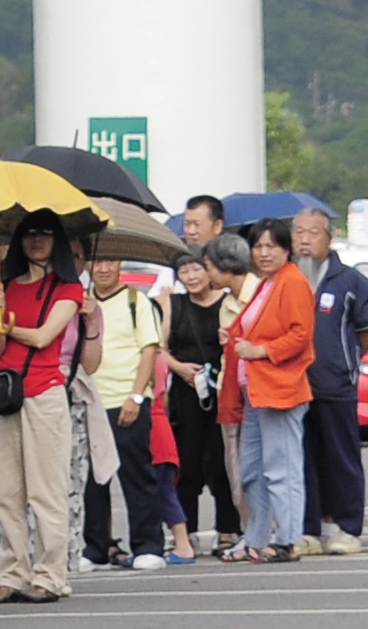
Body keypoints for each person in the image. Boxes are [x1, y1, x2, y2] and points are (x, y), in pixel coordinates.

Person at [0, 216, 83, 602]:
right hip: (5, 393)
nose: (36, 241)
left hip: (44, 392)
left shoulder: (68, 288)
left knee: (46, 490)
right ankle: (11, 573)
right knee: (6, 491)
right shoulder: (5, 287)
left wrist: (7, 325)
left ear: (55, 241)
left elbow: (44, 337)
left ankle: (49, 575)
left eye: (44, 234)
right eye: (29, 234)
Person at [291, 210, 368, 558]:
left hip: (335, 383)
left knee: (342, 457)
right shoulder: (286, 277)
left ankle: (347, 528)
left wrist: (347, 361)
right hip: (294, 386)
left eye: (313, 232)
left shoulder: (350, 281)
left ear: (329, 238)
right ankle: (308, 529)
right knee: (303, 459)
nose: (305, 239)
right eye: (298, 232)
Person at [215, 233, 307, 560]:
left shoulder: (292, 282)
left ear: (286, 250)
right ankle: (256, 537)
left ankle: (288, 538)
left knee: (282, 467)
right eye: (258, 247)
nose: (264, 253)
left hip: (280, 387)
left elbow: (300, 334)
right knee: (252, 467)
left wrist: (260, 349)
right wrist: (236, 335)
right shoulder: (269, 283)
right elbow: (256, 328)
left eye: (272, 247)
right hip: (254, 388)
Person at [160, 222, 241, 554]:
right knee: (187, 464)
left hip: (222, 391)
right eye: (183, 271)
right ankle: (186, 531)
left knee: (223, 462)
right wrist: (179, 369)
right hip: (185, 394)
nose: (190, 277)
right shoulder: (173, 303)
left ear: (210, 270)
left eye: (196, 268)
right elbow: (159, 345)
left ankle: (228, 529)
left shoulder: (227, 300)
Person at [84, 250, 167, 569]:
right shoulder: (81, 302)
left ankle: (148, 545)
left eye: (111, 261)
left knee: (136, 475)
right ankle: (95, 547)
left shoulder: (137, 301)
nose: (104, 268)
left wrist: (136, 396)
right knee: (92, 481)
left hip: (126, 400)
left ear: (121, 264)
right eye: (97, 261)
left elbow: (149, 351)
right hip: (90, 402)